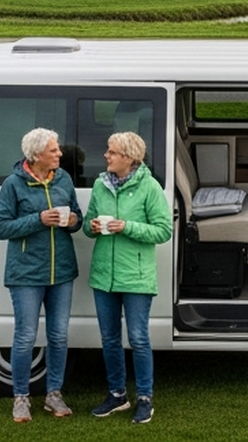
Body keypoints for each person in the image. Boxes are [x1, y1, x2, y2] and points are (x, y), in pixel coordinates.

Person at [0, 127, 83, 423]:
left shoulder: (64, 179)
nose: (60, 154)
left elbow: (77, 219)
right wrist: (39, 219)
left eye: (58, 150)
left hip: (62, 271)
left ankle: (53, 394)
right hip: (26, 273)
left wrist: (71, 221)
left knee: (58, 336)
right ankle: (21, 398)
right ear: (36, 154)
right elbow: (0, 227)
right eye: (54, 150)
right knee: (26, 336)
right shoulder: (13, 184)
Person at [82, 130, 172, 425]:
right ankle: (117, 396)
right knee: (109, 339)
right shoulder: (99, 184)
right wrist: (92, 226)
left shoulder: (150, 187)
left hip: (136, 277)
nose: (106, 155)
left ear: (129, 157)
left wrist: (127, 226)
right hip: (104, 276)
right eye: (108, 151)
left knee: (138, 338)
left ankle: (145, 399)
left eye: (111, 152)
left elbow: (163, 231)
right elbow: (86, 224)